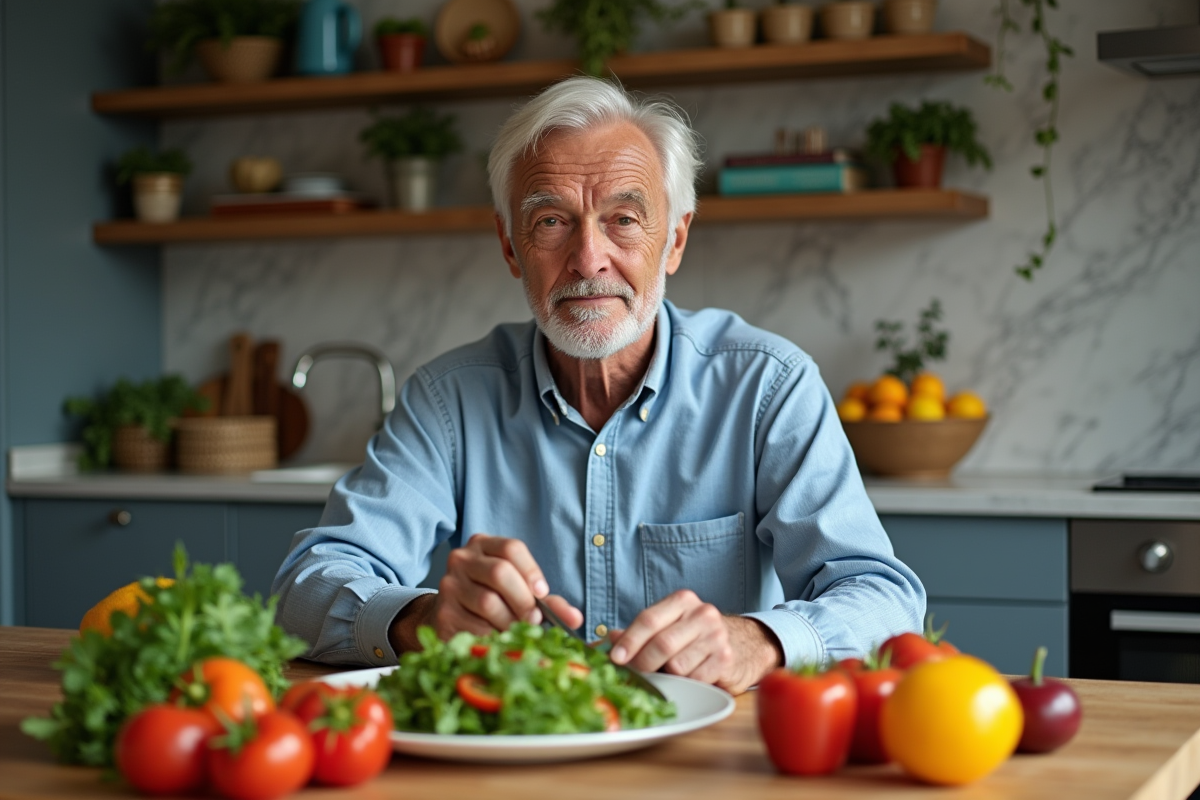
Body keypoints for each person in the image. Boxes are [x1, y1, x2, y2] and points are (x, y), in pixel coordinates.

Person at [272, 76, 925, 695]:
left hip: (702, 758)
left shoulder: (767, 387)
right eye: (551, 221)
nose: (589, 259)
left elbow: (886, 600)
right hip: (513, 753)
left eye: (623, 219)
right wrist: (419, 619)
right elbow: (305, 586)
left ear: (673, 240)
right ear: (509, 247)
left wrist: (760, 640)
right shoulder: (447, 400)